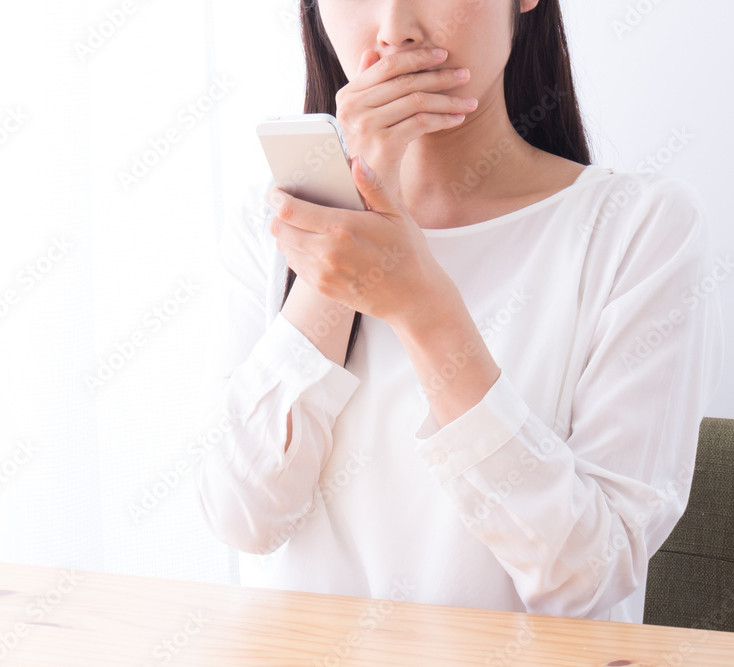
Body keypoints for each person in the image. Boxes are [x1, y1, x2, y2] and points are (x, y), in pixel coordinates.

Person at [193, 0, 725, 623]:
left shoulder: (638, 228)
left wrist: (423, 306)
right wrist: (347, 214)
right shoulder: (271, 224)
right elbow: (244, 518)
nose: (395, 31)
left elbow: (586, 574)